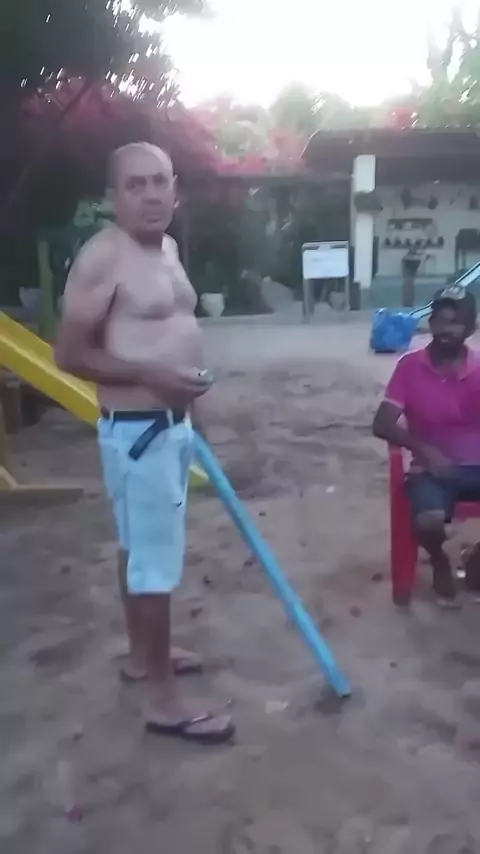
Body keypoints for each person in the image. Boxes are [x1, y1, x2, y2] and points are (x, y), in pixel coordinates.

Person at [55, 142, 235, 744]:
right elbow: (68, 354)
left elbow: (176, 334)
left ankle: (141, 656)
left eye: (160, 181)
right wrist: (151, 378)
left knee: (138, 549)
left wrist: (194, 418)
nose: (152, 194)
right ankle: (164, 701)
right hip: (140, 434)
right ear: (114, 197)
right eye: (136, 184)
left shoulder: (169, 250)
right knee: (155, 565)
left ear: (175, 189)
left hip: (171, 428)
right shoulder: (103, 257)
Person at [373, 286, 480, 606]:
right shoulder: (409, 367)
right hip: (431, 471)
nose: (445, 329)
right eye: (439, 320)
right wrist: (425, 451)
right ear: (430, 323)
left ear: (470, 328)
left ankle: (476, 560)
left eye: (455, 322)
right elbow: (382, 423)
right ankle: (440, 562)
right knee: (427, 520)